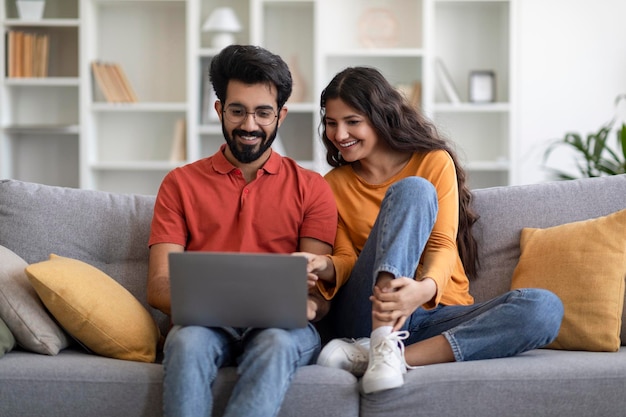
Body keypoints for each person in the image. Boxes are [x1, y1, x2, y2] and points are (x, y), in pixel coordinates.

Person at [298, 66, 564, 395]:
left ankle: (380, 356)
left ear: (381, 116)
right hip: (368, 313)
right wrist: (324, 265)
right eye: (332, 123)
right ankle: (382, 338)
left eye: (352, 121)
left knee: (544, 308)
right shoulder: (333, 185)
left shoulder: (433, 161)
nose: (339, 134)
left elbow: (442, 243)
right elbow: (347, 260)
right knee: (414, 191)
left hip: (433, 315)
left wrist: (423, 291)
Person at [146, 45, 337, 417]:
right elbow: (158, 286)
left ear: (280, 115)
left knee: (277, 344)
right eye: (238, 110)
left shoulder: (312, 187)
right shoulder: (179, 184)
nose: (249, 125)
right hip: (202, 327)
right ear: (219, 110)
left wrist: (307, 305)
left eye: (263, 113)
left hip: (279, 331)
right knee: (185, 343)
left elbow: (320, 295)